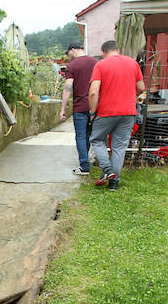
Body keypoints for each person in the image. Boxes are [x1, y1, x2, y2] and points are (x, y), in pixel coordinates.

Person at [88, 40, 145, 191]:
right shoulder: (133, 63)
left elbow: (93, 92)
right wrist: (130, 96)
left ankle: (108, 170)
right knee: (119, 147)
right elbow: (141, 87)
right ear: (118, 50)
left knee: (97, 139)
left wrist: (92, 112)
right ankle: (114, 184)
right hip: (128, 112)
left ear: (103, 52)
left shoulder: (101, 65)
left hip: (106, 111)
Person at [59, 42, 97, 175]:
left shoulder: (72, 66)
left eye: (68, 53)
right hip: (95, 106)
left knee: (81, 136)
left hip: (80, 107)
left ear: (73, 50)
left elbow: (68, 87)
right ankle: (89, 159)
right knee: (92, 135)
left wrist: (62, 108)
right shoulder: (96, 62)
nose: (68, 56)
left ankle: (84, 166)